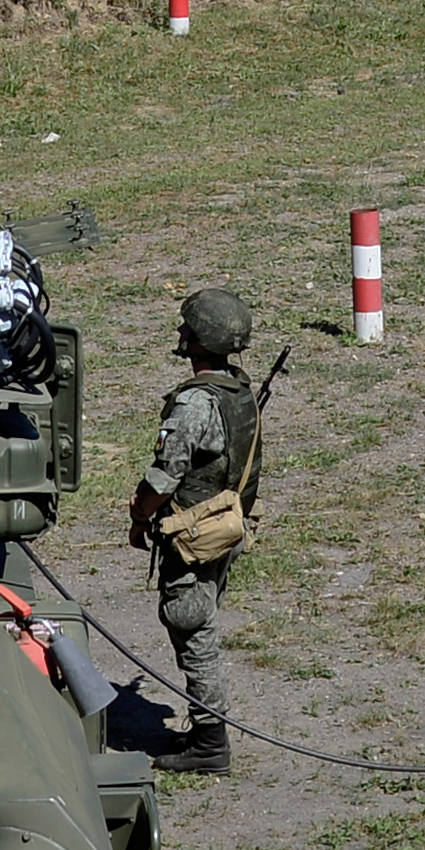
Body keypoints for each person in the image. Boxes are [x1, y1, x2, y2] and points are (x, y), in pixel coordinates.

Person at [125, 287, 264, 777]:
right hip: (227, 526)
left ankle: (210, 741)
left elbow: (163, 479)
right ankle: (208, 732)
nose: (181, 334)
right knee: (198, 620)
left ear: (201, 340)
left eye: (188, 328)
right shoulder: (239, 391)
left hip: (195, 538)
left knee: (191, 626)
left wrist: (140, 517)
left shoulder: (195, 405)